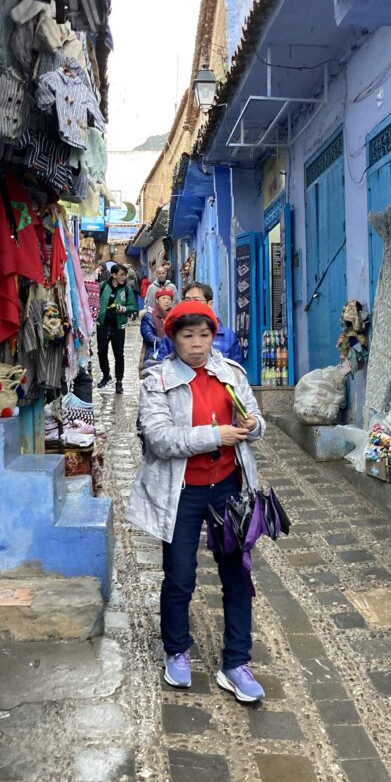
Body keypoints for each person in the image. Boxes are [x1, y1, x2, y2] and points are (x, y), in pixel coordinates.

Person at [127, 300, 267, 704]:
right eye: (188, 336)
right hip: (181, 493)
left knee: (237, 578)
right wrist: (215, 436)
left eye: (204, 335)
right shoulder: (158, 382)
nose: (197, 344)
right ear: (172, 338)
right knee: (180, 577)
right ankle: (177, 650)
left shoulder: (231, 375)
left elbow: (257, 423)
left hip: (229, 489)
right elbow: (159, 438)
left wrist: (252, 425)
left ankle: (236, 662)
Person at [155, 283, 243, 365]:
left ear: (210, 304)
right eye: (187, 300)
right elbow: (161, 365)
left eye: (196, 300)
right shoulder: (174, 333)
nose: (191, 305)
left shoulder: (228, 336)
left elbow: (235, 372)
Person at [96, 264, 137, 393]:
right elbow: (93, 301)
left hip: (118, 327)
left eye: (125, 275)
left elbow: (133, 307)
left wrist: (123, 309)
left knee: (119, 354)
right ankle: (106, 375)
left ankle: (119, 381)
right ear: (113, 275)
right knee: (101, 351)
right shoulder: (102, 286)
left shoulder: (126, 290)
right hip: (103, 325)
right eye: (121, 274)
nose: (124, 277)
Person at [139, 287, 173, 377]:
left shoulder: (174, 316)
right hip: (154, 354)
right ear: (157, 300)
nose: (167, 301)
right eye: (163, 298)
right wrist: (167, 343)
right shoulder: (149, 316)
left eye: (169, 299)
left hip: (172, 355)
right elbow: (148, 336)